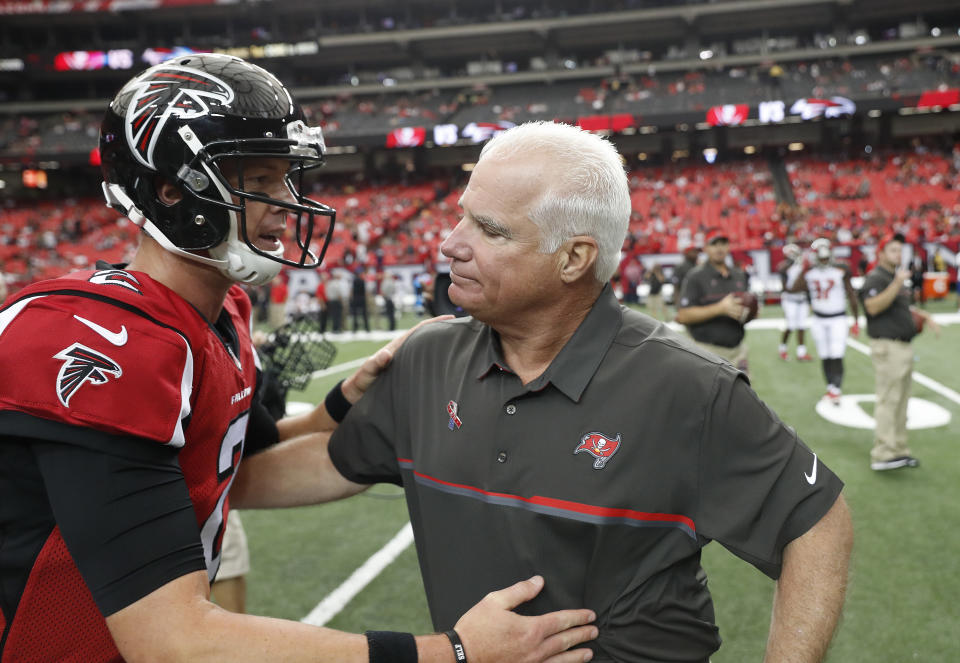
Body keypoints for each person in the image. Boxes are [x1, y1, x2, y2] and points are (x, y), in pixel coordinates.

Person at [0, 55, 597, 663]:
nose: (285, 204)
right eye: (257, 183)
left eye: (285, 179)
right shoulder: (102, 340)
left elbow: (238, 465)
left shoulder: (220, 313)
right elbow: (174, 640)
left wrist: (353, 403)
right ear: (171, 191)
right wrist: (454, 653)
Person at [237, 122, 853, 662]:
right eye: (460, 214)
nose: (451, 242)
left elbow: (817, 522)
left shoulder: (686, 387)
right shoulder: (427, 357)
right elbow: (331, 462)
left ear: (573, 258)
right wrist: (191, 494)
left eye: (489, 229)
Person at [860, 232, 940, 471]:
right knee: (889, 400)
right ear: (881, 253)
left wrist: (923, 315)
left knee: (902, 402)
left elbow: (901, 308)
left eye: (899, 250)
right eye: (893, 250)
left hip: (902, 346)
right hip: (888, 347)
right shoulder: (876, 278)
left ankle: (898, 450)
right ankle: (883, 453)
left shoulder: (893, 277)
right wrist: (896, 284)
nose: (898, 254)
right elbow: (872, 307)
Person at [792, 238, 860, 404]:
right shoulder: (809, 272)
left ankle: (836, 389)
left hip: (838, 318)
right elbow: (794, 288)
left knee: (836, 354)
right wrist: (804, 268)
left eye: (825, 257)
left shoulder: (841, 269)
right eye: (820, 257)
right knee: (825, 355)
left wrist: (856, 319)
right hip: (818, 319)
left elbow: (851, 294)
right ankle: (831, 386)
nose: (823, 260)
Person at [675, 230, 753, 374]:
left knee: (741, 396)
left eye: (723, 243)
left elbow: (744, 310)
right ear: (706, 248)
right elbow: (683, 315)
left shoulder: (739, 275)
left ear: (729, 246)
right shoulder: (695, 276)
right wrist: (720, 308)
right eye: (714, 244)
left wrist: (750, 313)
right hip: (707, 351)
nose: (719, 248)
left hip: (738, 350)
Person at [776, 243, 812, 361]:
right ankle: (782, 349)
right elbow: (786, 288)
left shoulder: (803, 267)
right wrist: (798, 286)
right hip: (790, 300)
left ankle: (801, 353)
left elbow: (807, 285)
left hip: (802, 299)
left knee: (802, 326)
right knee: (791, 326)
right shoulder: (784, 267)